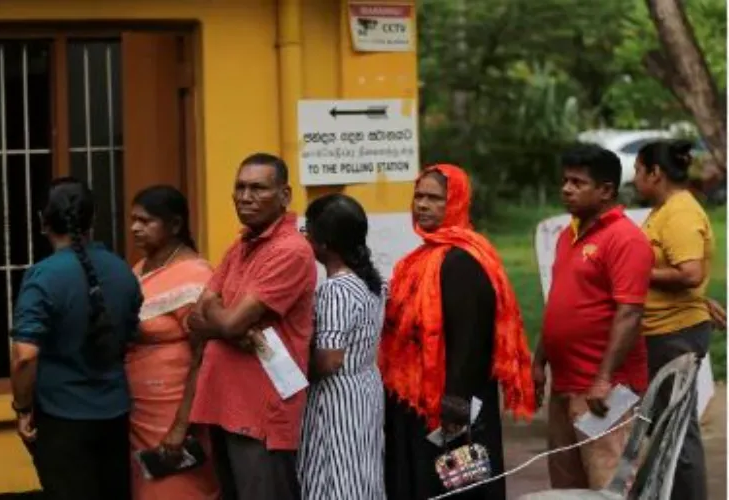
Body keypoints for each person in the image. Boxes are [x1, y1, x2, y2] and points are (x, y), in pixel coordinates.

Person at [380, 163, 535, 500]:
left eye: (434, 198)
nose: (422, 205)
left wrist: (455, 399)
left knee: (459, 485)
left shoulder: (462, 260)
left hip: (453, 401)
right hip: (420, 397)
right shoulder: (420, 258)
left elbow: (471, 338)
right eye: (418, 196)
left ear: (456, 203)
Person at [186, 153, 317, 500]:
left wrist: (226, 322)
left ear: (285, 195)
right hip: (224, 401)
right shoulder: (242, 244)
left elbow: (223, 319)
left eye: (258, 188)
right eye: (240, 187)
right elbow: (195, 314)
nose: (245, 197)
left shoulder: (290, 250)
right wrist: (229, 327)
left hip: (262, 409)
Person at [10, 177, 142, 500]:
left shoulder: (44, 275)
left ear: (44, 222)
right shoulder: (123, 270)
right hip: (115, 413)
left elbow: (25, 355)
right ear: (92, 220)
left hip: (61, 418)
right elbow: (131, 335)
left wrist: (22, 406)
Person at [535, 144, 654, 490]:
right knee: (567, 487)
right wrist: (538, 360)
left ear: (606, 190)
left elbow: (630, 312)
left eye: (577, 182)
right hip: (565, 384)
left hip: (603, 391)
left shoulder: (626, 239)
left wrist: (603, 380)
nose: (566, 189)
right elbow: (559, 303)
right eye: (565, 181)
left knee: (608, 485)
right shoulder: (566, 236)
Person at [126, 185, 220, 499]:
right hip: (139, 413)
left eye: (145, 221)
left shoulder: (195, 275)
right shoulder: (141, 268)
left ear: (175, 225)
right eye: (133, 220)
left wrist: (181, 426)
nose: (135, 228)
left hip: (175, 414)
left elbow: (205, 355)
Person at [633, 139, 714, 500]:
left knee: (678, 431)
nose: (635, 178)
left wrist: (635, 272)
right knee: (665, 429)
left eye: (638, 170)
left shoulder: (680, 212)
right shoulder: (665, 208)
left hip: (675, 333)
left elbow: (691, 273)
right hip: (662, 330)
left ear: (656, 173)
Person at [297, 194, 387, 500]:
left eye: (307, 230)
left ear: (324, 243)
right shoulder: (370, 281)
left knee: (336, 476)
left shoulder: (336, 289)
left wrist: (291, 369)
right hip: (364, 388)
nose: (303, 236)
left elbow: (330, 360)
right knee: (360, 475)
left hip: (337, 398)